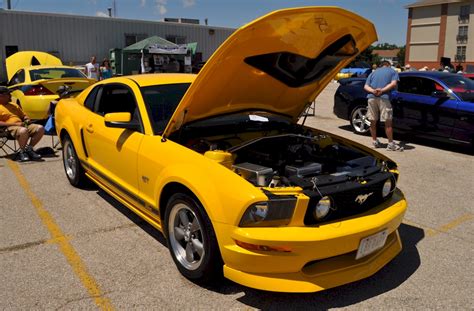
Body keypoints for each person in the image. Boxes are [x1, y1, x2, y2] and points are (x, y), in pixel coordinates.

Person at [364, 60, 401, 151]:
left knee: (373, 121)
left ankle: (374, 141)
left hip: (371, 97)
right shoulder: (393, 71)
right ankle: (390, 143)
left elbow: (365, 86)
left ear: (381, 65)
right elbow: (393, 84)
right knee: (388, 123)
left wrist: (373, 91)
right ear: (388, 65)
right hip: (384, 98)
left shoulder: (373, 72)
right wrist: (382, 90)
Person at [0, 86, 44, 161]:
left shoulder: (14, 105)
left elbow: (24, 115)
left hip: (22, 125)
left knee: (40, 128)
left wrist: (26, 119)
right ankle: (22, 152)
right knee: (23, 131)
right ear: (1, 96)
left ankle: (29, 149)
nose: (10, 96)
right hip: (7, 129)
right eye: (8, 94)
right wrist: (16, 125)